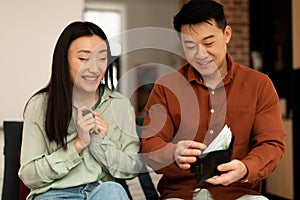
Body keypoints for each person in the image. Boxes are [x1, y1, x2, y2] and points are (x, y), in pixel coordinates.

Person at [140, 0, 286, 199]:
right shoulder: (166, 88)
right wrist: (173, 153)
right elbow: (149, 144)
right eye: (190, 46)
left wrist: (245, 168)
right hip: (182, 194)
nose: (200, 55)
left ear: (227, 34)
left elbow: (271, 143)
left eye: (208, 43)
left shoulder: (258, 84)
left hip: (239, 192)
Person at [18, 21, 143, 200]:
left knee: (113, 191)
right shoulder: (40, 105)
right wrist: (78, 144)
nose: (94, 68)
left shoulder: (119, 105)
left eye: (102, 58)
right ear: (64, 60)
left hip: (101, 192)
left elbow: (132, 168)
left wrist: (99, 142)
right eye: (84, 59)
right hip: (54, 194)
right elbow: (29, 176)